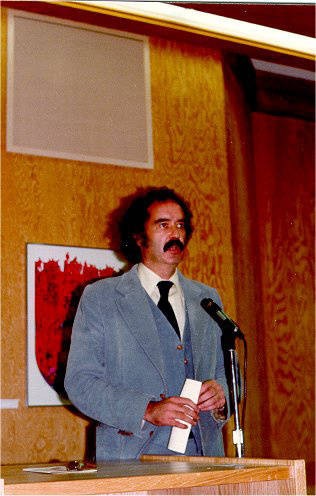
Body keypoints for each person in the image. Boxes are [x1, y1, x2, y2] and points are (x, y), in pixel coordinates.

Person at [65, 187, 230, 461]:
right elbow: (81, 383)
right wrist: (147, 409)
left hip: (206, 460)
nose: (175, 234)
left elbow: (229, 375)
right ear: (139, 236)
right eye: (163, 225)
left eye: (180, 225)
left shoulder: (208, 299)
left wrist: (222, 393)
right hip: (132, 459)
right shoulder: (102, 298)